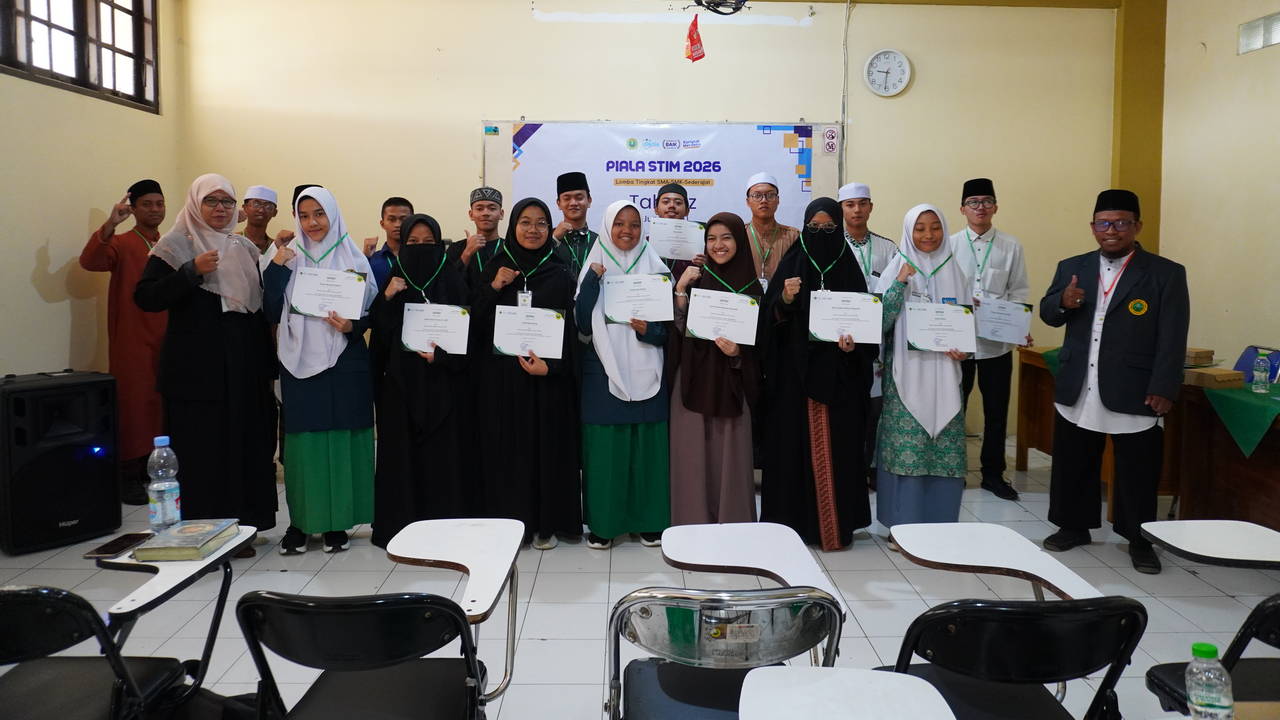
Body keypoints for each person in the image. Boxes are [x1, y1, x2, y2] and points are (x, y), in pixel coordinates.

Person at [1039, 189, 1189, 575]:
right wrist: (1062, 302)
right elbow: (1048, 313)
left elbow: (1173, 336)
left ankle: (1139, 538)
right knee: (1074, 459)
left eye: (1121, 223)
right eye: (1104, 223)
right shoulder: (1072, 266)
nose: (1112, 230)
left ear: (1137, 226)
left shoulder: (1165, 273)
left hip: (1134, 384)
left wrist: (1164, 386)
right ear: (1092, 227)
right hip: (1079, 381)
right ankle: (1073, 526)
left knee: (1137, 467)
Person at [133, 174, 277, 553]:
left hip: (243, 365)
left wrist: (268, 368)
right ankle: (206, 530)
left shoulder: (244, 247)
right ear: (196, 203)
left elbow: (258, 309)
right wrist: (190, 271)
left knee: (243, 444)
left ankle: (244, 526)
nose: (220, 209)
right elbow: (146, 297)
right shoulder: (176, 244)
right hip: (198, 371)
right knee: (205, 451)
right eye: (211, 201)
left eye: (227, 201)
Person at [264, 187, 378, 555]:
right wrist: (277, 266)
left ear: (333, 214)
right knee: (304, 447)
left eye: (319, 214)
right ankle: (301, 524)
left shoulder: (354, 258)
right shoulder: (287, 255)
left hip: (345, 361)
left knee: (343, 441)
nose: (312, 222)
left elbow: (373, 313)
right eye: (304, 215)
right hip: (298, 360)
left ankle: (336, 524)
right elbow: (269, 309)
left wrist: (352, 326)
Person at [760, 198, 877, 550]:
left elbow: (866, 330)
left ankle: (834, 526)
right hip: (794, 381)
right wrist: (785, 299)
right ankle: (790, 527)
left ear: (839, 229)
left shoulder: (849, 268)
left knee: (840, 453)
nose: (821, 234)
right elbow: (768, 322)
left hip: (840, 380)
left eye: (829, 228)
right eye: (814, 228)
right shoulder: (792, 262)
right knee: (791, 453)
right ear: (805, 227)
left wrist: (853, 347)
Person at [472, 197, 581, 549]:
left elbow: (570, 333)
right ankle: (512, 524)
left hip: (547, 380)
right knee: (509, 452)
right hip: (503, 381)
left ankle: (547, 524)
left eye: (541, 223)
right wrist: (494, 287)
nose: (533, 230)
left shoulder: (560, 272)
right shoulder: (495, 266)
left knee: (546, 450)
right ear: (513, 226)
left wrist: (553, 367)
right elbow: (473, 323)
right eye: (525, 222)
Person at [369, 213, 474, 547]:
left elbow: (469, 337)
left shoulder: (453, 280)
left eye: (429, 243)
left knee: (444, 459)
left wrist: (443, 357)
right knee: (402, 460)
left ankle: (445, 527)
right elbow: (380, 336)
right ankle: (402, 526)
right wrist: (387, 297)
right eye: (412, 242)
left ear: (440, 244)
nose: (420, 248)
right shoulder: (394, 281)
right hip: (401, 388)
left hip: (445, 387)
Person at [575, 200, 671, 549]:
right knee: (606, 452)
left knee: (647, 451)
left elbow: (667, 331)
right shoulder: (595, 263)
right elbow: (582, 323)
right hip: (603, 369)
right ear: (606, 226)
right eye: (619, 223)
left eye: (633, 224)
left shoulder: (656, 266)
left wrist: (649, 330)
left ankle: (650, 522)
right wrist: (593, 280)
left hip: (649, 368)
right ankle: (604, 525)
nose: (627, 231)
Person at [873, 205, 970, 542]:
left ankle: (940, 526)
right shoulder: (896, 267)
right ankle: (902, 526)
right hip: (906, 373)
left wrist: (964, 349)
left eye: (935, 227)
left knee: (942, 447)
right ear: (908, 231)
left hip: (945, 376)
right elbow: (879, 322)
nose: (928, 235)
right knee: (908, 448)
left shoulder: (955, 271)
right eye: (920, 228)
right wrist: (900, 283)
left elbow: (967, 324)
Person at [667, 213, 763, 525]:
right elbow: (679, 331)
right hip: (693, 380)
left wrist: (739, 352)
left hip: (733, 383)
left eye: (726, 238)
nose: (718, 245)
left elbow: (763, 347)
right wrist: (680, 290)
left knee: (731, 456)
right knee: (692, 455)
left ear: (739, 241)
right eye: (711, 239)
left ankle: (731, 522)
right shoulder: (697, 281)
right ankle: (692, 522)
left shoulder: (752, 289)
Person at [79, 179, 168, 505]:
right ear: (133, 208)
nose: (155, 209)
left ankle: (154, 469)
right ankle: (128, 474)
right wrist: (110, 224)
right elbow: (90, 262)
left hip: (168, 338)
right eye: (147, 204)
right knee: (134, 405)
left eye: (159, 203)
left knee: (162, 405)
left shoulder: (170, 243)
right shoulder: (122, 242)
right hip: (133, 338)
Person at [952, 178, 1031, 501]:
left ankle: (993, 475)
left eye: (986, 201)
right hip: (959, 346)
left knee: (996, 412)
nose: (980, 207)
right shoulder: (950, 245)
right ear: (962, 209)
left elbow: (1019, 291)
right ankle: (954, 471)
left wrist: (1020, 325)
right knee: (954, 411)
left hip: (996, 345)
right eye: (973, 202)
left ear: (995, 207)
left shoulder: (1011, 246)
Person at [838, 181, 897, 490]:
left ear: (871, 207)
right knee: (847, 404)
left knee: (875, 406)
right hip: (842, 336)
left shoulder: (888, 248)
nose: (857, 210)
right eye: (850, 205)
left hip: (877, 338)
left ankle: (871, 466)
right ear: (842, 209)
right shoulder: (833, 245)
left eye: (862, 203)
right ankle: (847, 466)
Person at [742, 171, 799, 293]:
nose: (764, 200)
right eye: (757, 195)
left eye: (770, 195)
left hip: (781, 301)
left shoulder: (793, 235)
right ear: (748, 201)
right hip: (745, 300)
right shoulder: (739, 234)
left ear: (778, 200)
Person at [450, 186, 505, 275]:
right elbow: (446, 281)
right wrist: (467, 253)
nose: (485, 213)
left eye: (492, 208)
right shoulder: (456, 248)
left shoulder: (509, 248)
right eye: (479, 209)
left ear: (501, 214)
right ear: (471, 215)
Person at [551, 171, 597, 277]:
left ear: (589, 201)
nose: (573, 203)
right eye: (567, 198)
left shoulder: (598, 241)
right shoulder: (546, 239)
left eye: (579, 198)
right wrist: (554, 240)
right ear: (559, 203)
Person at [367, 197, 414, 291]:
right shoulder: (371, 261)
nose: (398, 224)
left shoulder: (421, 258)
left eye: (403, 219)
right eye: (392, 219)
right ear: (382, 224)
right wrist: (364, 258)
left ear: (412, 222)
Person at [240, 185, 294, 265]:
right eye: (256, 204)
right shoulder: (232, 241)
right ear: (245, 208)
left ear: (275, 212)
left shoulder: (277, 246)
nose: (261, 210)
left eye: (268, 206)